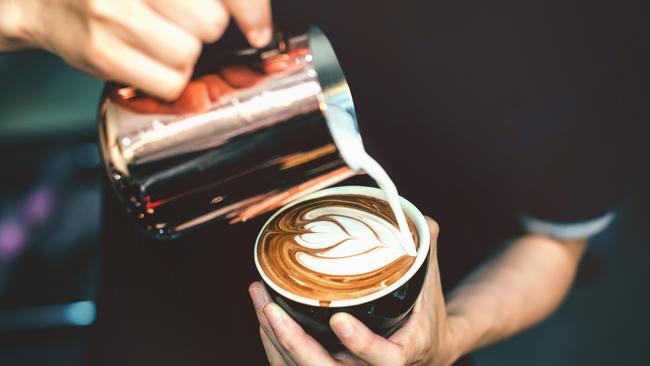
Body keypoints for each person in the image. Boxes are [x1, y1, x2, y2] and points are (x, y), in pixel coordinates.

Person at [1, 1, 648, 365]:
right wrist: (34, 13)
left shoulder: (613, 27)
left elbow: (557, 241)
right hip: (159, 321)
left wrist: (451, 335)